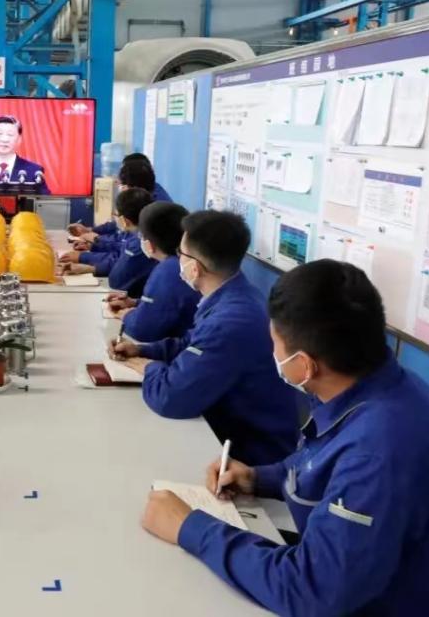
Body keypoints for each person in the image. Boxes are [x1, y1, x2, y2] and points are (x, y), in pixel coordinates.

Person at [141, 259, 429, 616]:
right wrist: (258, 477)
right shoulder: (371, 387)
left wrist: (190, 528)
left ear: (304, 365)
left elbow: (311, 591)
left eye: (274, 343)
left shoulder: (382, 449)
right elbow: (323, 461)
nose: (272, 354)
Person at [110, 210, 298, 465]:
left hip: (249, 457)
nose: (178, 259)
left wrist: (147, 367)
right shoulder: (237, 294)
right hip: (225, 430)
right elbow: (191, 343)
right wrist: (143, 350)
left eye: (181, 253)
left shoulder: (231, 321)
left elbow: (170, 399)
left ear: (194, 267)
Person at [108, 202, 200, 342]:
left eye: (142, 237)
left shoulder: (168, 270)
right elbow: (170, 304)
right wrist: (136, 303)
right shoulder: (183, 262)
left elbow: (142, 329)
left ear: (149, 244)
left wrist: (126, 316)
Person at [60, 188, 157, 298]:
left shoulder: (139, 241)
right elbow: (118, 248)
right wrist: (93, 248)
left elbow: (116, 279)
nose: (115, 219)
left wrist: (86, 258)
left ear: (124, 220)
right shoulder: (140, 233)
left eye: (116, 215)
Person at [68, 153, 171, 244]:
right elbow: (120, 226)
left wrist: (96, 240)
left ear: (134, 186)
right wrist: (91, 231)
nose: (120, 186)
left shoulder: (152, 210)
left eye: (123, 185)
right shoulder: (145, 194)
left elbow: (126, 245)